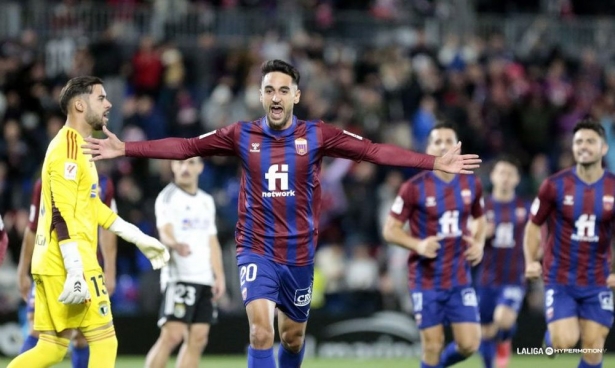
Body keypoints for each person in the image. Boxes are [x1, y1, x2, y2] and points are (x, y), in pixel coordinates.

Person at [82, 60, 481, 368]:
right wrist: (127, 149)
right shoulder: (241, 134)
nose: (276, 97)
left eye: (283, 90)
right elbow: (187, 146)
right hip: (256, 248)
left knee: (291, 338)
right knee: (260, 330)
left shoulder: (317, 135)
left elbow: (374, 151)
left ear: (296, 96)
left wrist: (432, 162)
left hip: (300, 255)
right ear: (260, 95)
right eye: (269, 89)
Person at [8, 76, 169, 368]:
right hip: (70, 262)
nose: (108, 104)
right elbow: (61, 212)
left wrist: (139, 238)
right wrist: (73, 269)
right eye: (101, 98)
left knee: (51, 350)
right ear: (80, 105)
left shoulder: (80, 148)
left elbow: (93, 207)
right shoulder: (68, 147)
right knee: (106, 341)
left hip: (54, 263)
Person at [382, 122, 486, 368]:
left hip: (460, 277)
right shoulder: (413, 187)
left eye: (448, 141)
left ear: (458, 147)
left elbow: (480, 218)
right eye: (437, 142)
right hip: (425, 279)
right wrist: (418, 245)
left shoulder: (472, 184)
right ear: (428, 148)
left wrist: (479, 242)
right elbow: (390, 230)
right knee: (432, 345)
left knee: (469, 345)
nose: (442, 146)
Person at [525, 118, 615, 368]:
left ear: (603, 148)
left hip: (597, 279)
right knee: (566, 340)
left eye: (590, 141)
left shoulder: (613, 187)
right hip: (560, 278)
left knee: (594, 346)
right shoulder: (554, 185)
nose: (583, 146)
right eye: (578, 142)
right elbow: (533, 225)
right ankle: (551, 339)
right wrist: (531, 261)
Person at [16, 175, 118, 368]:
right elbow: (33, 227)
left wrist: (110, 270)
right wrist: (23, 270)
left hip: (86, 267)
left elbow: (108, 227)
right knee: (43, 337)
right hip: (53, 267)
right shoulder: (48, 179)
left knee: (84, 337)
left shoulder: (103, 182)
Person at [145, 157, 226, 368]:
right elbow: (164, 231)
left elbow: (212, 240)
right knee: (172, 335)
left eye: (191, 163)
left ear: (200, 167)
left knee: (198, 338)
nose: (185, 168)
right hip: (180, 276)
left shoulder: (206, 200)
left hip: (205, 277)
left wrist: (219, 276)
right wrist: (175, 244)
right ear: (173, 166)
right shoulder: (168, 197)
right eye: (180, 163)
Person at [474, 156, 529, 368]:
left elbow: (538, 237)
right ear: (493, 176)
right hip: (487, 277)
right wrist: (480, 234)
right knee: (486, 331)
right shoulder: (482, 207)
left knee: (503, 320)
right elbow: (467, 236)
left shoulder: (526, 207)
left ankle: (505, 341)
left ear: (517, 179)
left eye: (510, 174)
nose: (505, 178)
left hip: (514, 277)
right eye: (501, 173)